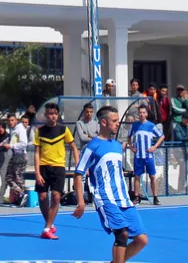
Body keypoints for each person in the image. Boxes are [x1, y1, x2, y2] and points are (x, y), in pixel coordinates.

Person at [72, 105, 147, 263]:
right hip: (106, 199)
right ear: (104, 122)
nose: (117, 123)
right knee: (122, 234)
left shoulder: (117, 145)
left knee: (142, 240)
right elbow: (78, 174)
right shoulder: (92, 147)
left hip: (123, 198)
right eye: (114, 121)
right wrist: (81, 203)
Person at [34, 102, 79, 239]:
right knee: (42, 197)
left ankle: (47, 228)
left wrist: (78, 164)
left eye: (55, 114)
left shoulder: (63, 130)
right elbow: (37, 153)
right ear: (45, 115)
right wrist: (37, 173)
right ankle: (50, 223)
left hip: (59, 167)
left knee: (56, 197)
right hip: (43, 167)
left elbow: (74, 147)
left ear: (58, 115)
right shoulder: (39, 131)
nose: (52, 116)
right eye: (50, 114)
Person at [127, 105, 163, 205]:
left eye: (144, 112)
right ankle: (137, 196)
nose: (142, 114)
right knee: (137, 176)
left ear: (146, 114)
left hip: (149, 156)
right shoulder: (134, 125)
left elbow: (161, 136)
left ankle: (155, 197)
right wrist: (131, 147)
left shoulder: (151, 125)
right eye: (140, 112)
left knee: (152, 176)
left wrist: (154, 147)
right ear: (138, 114)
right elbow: (129, 137)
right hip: (138, 156)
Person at [5, 113, 30, 205]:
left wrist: (11, 146)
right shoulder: (13, 130)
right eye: (9, 121)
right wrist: (1, 144)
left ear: (16, 120)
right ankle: (20, 197)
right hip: (15, 155)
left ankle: (21, 194)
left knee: (14, 178)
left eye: (12, 120)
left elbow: (24, 143)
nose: (11, 122)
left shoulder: (20, 128)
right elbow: (10, 140)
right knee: (13, 178)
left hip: (20, 155)